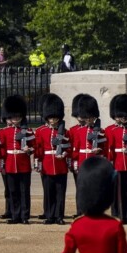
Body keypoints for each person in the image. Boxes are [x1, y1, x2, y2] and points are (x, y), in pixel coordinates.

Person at [34, 94, 72, 225]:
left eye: (55, 117)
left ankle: (59, 216)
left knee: (60, 192)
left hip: (60, 165)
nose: (53, 120)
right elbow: (38, 150)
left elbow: (69, 148)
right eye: (51, 117)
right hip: (46, 164)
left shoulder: (65, 132)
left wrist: (65, 155)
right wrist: (37, 164)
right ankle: (50, 215)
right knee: (49, 192)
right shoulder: (41, 131)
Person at [104, 94, 127, 224]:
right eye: (120, 116)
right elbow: (108, 148)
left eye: (125, 116)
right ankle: (117, 215)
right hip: (116, 164)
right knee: (117, 192)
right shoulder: (110, 130)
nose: (123, 118)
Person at [0, 95, 35, 224]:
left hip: (23, 164)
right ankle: (15, 215)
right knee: (13, 191)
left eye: (18, 117)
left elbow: (33, 147)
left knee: (24, 191)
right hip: (10, 164)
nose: (16, 119)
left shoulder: (28, 131)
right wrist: (1, 164)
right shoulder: (3, 132)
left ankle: (25, 216)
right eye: (13, 117)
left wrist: (28, 150)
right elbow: (1, 150)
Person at [69, 94, 106, 211]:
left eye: (91, 117)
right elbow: (75, 149)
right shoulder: (79, 131)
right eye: (87, 116)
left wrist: (99, 152)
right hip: (82, 162)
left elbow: (104, 147)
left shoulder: (101, 131)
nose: (89, 119)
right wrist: (74, 163)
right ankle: (80, 210)